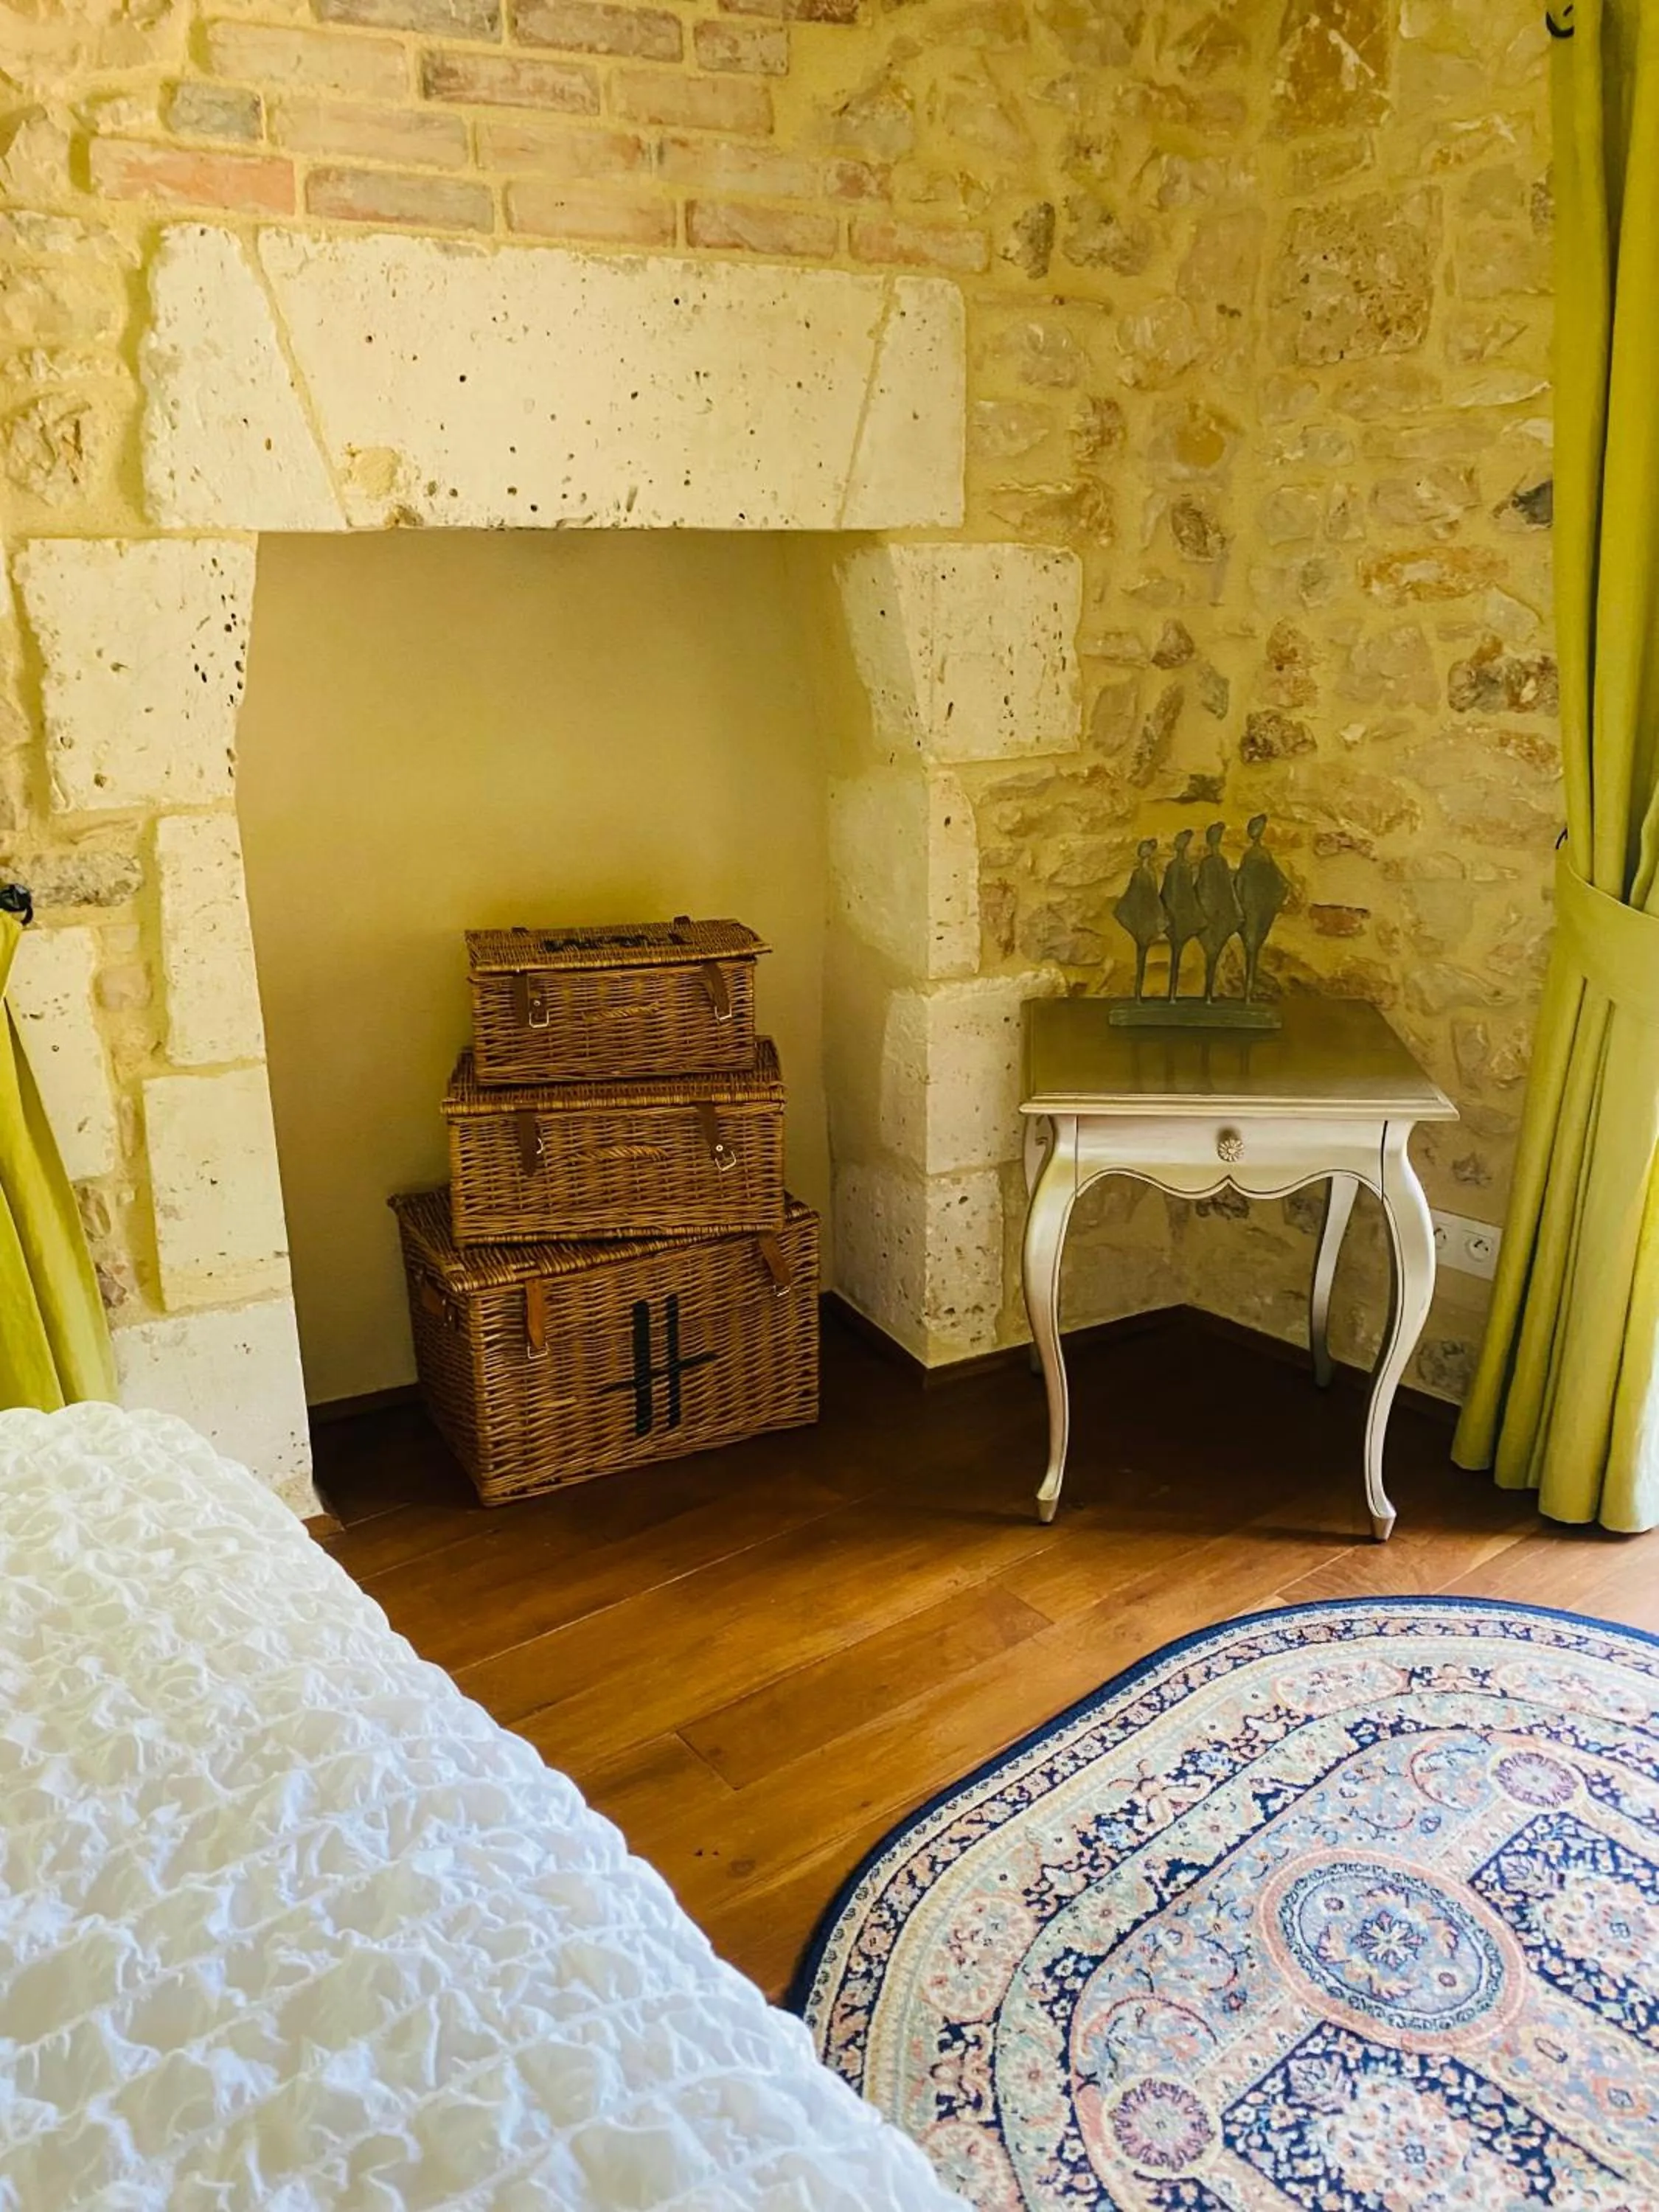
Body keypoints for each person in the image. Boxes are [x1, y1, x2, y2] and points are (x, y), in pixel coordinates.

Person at [1113, 838, 1166, 998]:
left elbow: (1153, 895)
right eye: (1143, 849)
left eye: (1147, 849)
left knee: (1143, 951)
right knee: (1140, 953)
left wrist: (1159, 914)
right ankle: (1137, 993)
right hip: (1138, 915)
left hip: (1148, 915)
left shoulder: (1151, 873)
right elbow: (1133, 892)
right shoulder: (1139, 874)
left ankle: (1139, 994)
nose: (1145, 852)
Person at [1195, 821, 1241, 1001]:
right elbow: (1202, 886)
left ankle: (1209, 994)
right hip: (1209, 913)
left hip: (1220, 913)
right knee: (1210, 954)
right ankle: (1207, 994)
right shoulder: (1208, 864)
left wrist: (1234, 909)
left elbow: (1227, 888)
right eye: (1213, 839)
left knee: (1214, 954)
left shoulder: (1220, 862)